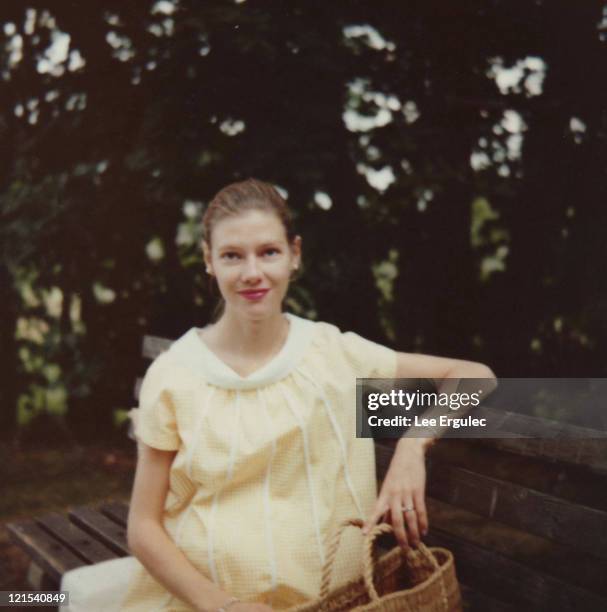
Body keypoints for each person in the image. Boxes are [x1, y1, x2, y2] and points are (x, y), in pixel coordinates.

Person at [61, 178, 495, 612]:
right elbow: (143, 526)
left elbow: (474, 374)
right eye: (232, 255)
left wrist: (412, 447)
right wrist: (224, 606)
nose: (253, 272)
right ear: (209, 261)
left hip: (335, 601)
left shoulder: (336, 351)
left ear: (295, 255)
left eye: (268, 252)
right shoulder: (175, 374)